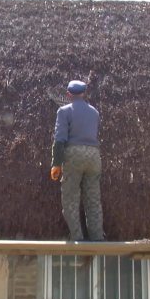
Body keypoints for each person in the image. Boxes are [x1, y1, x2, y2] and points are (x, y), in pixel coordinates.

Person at [50, 80, 105, 241]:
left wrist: (56, 163)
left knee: (70, 199)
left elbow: (60, 139)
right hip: (94, 156)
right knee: (93, 200)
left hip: (74, 155)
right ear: (84, 94)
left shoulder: (64, 111)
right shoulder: (94, 112)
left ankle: (78, 239)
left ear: (68, 94)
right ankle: (97, 240)